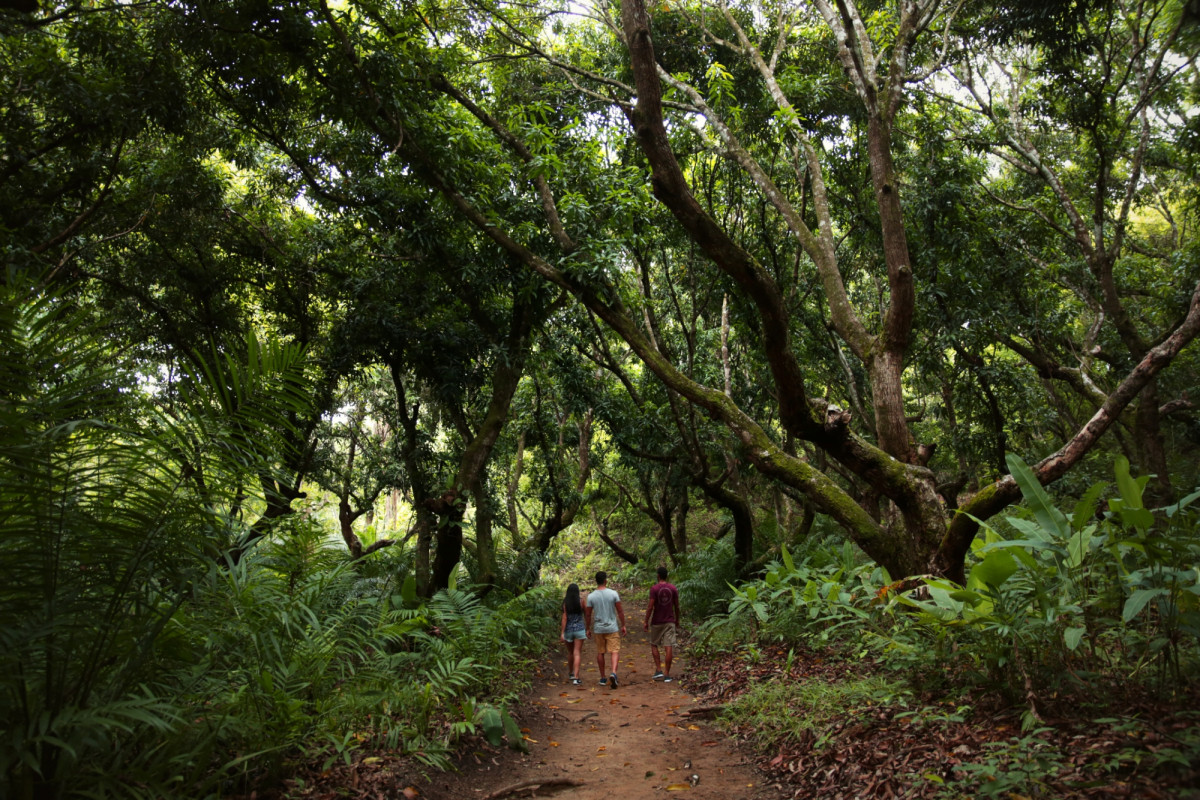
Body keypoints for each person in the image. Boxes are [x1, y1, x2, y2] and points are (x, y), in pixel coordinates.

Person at [585, 571, 626, 689]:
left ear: (596, 581)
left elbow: (588, 614)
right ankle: (613, 672)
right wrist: (623, 625)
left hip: (599, 628)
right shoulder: (613, 594)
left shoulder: (591, 596)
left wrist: (587, 628)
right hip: (612, 627)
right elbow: (620, 611)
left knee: (600, 652)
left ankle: (603, 677)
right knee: (614, 651)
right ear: (605, 581)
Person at [643, 566, 681, 682]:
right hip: (670, 621)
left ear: (658, 576)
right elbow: (677, 606)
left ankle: (659, 669)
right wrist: (677, 619)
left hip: (657, 621)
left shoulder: (654, 589)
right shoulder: (673, 588)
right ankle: (667, 674)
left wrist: (646, 621)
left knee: (654, 644)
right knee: (668, 646)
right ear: (666, 576)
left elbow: (650, 607)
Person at [560, 583, 588, 685]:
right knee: (577, 653)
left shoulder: (565, 603)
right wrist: (588, 628)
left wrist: (562, 633)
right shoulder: (581, 602)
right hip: (579, 630)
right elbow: (586, 615)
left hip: (569, 630)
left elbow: (564, 618)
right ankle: (576, 677)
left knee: (570, 652)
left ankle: (571, 673)